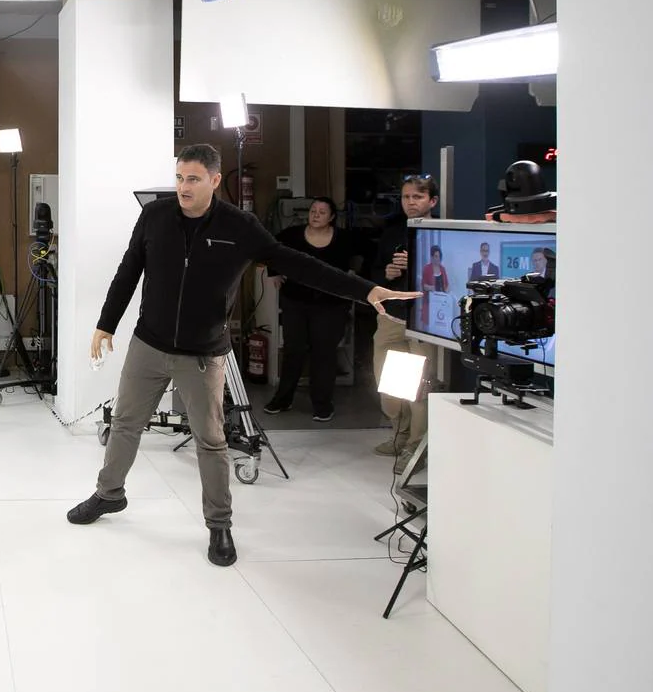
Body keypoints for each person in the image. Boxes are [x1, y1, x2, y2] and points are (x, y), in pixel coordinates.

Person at [66, 145, 419, 567]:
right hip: (149, 343)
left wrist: (365, 290)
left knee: (211, 442)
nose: (183, 187)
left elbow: (300, 264)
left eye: (193, 179)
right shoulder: (155, 216)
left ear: (215, 181)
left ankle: (219, 525)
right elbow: (129, 270)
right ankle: (109, 494)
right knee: (125, 423)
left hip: (202, 354)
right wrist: (107, 323)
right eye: (179, 178)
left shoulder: (240, 227)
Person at [262, 197, 359, 422]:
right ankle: (283, 399)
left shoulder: (344, 239)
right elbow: (270, 250)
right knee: (294, 349)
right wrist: (274, 272)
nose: (316, 215)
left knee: (323, 353)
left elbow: (366, 253)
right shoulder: (292, 235)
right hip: (296, 301)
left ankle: (322, 404)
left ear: (332, 217)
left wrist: (354, 274)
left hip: (331, 304)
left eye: (322, 212)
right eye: (313, 210)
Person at [372, 175, 441, 468]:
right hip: (393, 316)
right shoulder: (392, 233)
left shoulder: (441, 234)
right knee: (388, 380)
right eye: (405, 197)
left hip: (425, 320)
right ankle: (399, 435)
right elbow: (375, 273)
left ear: (432, 201)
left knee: (420, 386)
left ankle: (416, 448)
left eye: (417, 197)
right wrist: (387, 273)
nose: (410, 202)